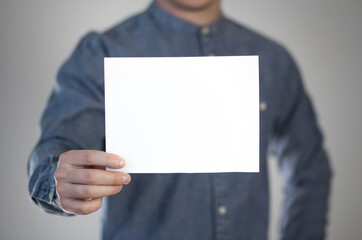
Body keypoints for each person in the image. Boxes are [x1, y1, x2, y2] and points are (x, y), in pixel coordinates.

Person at [27, 0, 332, 239]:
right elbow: (56, 149)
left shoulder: (274, 60)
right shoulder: (101, 52)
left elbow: (311, 171)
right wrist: (57, 180)